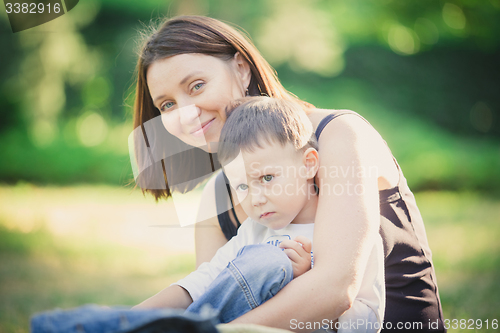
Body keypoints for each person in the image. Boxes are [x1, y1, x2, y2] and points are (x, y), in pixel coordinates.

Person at [132, 15, 446, 332]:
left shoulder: (337, 137)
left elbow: (335, 289)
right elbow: (214, 296)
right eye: (168, 105)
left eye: (196, 86)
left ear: (241, 68)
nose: (185, 116)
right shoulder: (216, 199)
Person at [134, 97, 386, 332]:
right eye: (242, 187)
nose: (256, 199)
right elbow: (205, 282)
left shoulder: (346, 231)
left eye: (267, 178)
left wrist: (307, 284)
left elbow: (367, 320)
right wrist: (133, 317)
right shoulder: (253, 231)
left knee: (269, 262)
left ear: (308, 163)